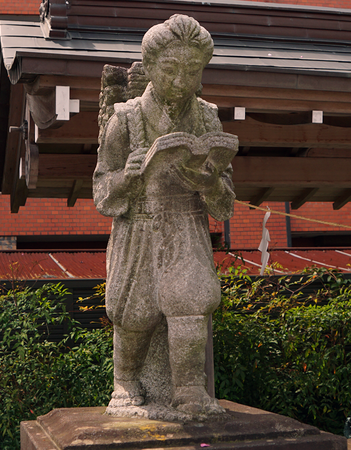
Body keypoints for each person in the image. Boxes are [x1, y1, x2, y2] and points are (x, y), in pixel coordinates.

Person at [93, 14, 236, 416]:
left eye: (191, 71)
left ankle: (190, 388)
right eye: (170, 69)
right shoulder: (126, 118)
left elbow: (225, 200)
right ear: (151, 67)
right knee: (134, 310)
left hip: (186, 223)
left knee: (191, 300)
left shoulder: (207, 116)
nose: (180, 80)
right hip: (139, 225)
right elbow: (101, 190)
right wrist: (128, 176)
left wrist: (209, 182)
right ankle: (125, 381)